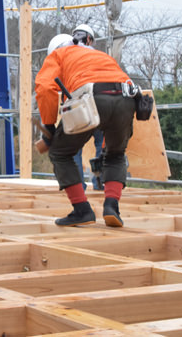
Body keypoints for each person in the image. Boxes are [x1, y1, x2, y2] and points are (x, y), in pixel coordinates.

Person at [35, 33, 136, 227]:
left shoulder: (58, 55)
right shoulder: (99, 55)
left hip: (92, 97)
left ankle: (82, 210)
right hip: (127, 98)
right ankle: (112, 207)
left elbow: (45, 88)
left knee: (60, 152)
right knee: (115, 154)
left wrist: (48, 127)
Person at [71, 24, 104, 191]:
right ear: (89, 38)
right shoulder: (99, 57)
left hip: (77, 107)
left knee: (75, 148)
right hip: (98, 104)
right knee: (101, 144)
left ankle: (78, 188)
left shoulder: (68, 57)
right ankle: (99, 183)